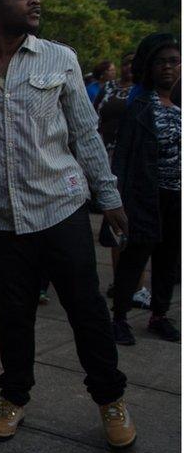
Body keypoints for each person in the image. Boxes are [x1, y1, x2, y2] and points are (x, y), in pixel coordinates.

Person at [0, 0, 135, 450]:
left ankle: (111, 401)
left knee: (87, 312)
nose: (35, 0)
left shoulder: (59, 59)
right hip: (2, 220)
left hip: (61, 209)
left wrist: (109, 198)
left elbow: (85, 133)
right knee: (12, 317)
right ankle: (13, 398)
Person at [110, 34, 182, 345]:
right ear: (149, 66)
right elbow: (123, 157)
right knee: (135, 258)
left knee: (169, 260)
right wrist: (117, 200)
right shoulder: (138, 106)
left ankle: (159, 315)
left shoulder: (179, 104)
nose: (168, 67)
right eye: (161, 61)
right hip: (145, 196)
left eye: (174, 61)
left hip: (177, 196)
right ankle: (120, 317)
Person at [96, 52, 150, 308]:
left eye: (134, 63)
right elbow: (92, 119)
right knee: (116, 224)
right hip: (108, 159)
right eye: (126, 63)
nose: (129, 67)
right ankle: (121, 282)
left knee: (136, 224)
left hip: (138, 163)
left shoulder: (148, 92)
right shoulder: (108, 89)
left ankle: (138, 285)